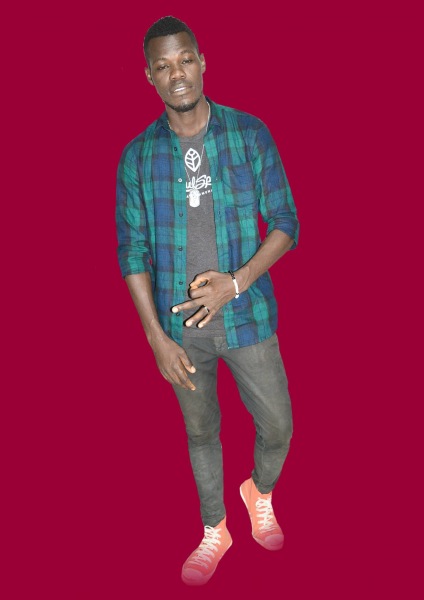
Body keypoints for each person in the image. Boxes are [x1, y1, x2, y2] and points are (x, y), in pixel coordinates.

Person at [116, 16, 299, 586]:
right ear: (149, 76)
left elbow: (287, 222)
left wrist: (235, 283)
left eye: (185, 59)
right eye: (163, 65)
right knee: (200, 433)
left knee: (278, 427)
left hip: (248, 319)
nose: (177, 73)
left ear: (202, 62)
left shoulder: (249, 134)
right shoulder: (137, 157)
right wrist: (156, 339)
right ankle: (214, 528)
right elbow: (132, 250)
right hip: (181, 334)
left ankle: (259, 491)